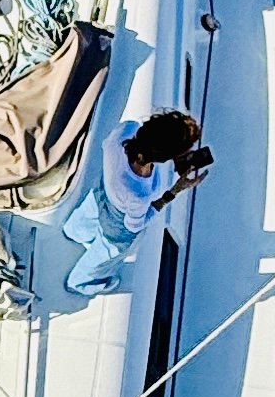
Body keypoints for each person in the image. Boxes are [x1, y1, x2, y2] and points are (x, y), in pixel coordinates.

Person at [61, 104, 210, 296]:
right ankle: (81, 284)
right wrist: (173, 192)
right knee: (102, 258)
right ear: (166, 156)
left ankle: (76, 235)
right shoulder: (139, 193)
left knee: (77, 228)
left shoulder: (124, 131)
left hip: (101, 196)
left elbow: (113, 145)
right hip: (116, 227)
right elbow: (134, 226)